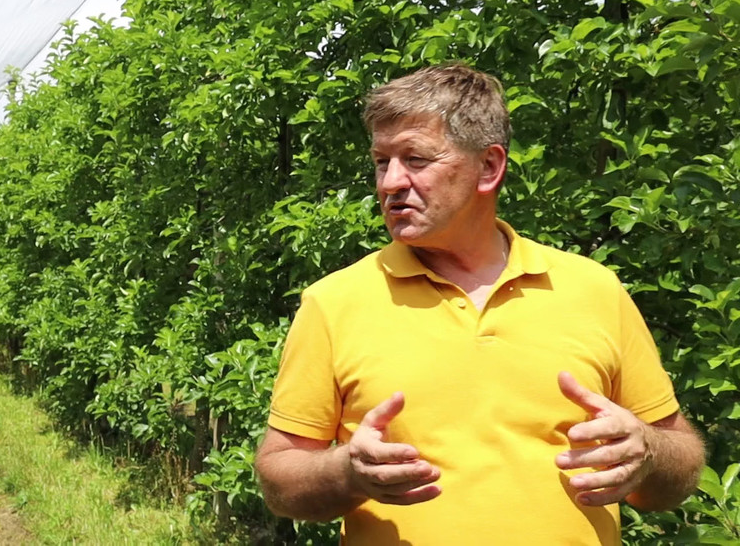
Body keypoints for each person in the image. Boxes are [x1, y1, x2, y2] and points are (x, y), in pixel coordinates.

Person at [254, 64, 704, 544]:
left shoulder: (593, 288)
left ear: (489, 167)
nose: (390, 183)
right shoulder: (334, 302)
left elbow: (683, 460)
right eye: (382, 161)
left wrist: (648, 453)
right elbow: (279, 478)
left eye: (416, 159)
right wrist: (347, 472)